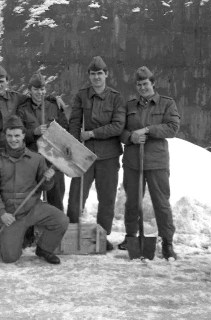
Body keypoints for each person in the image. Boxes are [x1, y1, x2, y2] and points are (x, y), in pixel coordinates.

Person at [0, 63, 66, 249]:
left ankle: (10, 233)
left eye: (2, 81)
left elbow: (36, 96)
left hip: (9, 153)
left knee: (13, 195)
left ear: (7, 81)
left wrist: (55, 98)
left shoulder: (15, 98)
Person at [0, 115, 69, 264]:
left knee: (61, 220)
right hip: (12, 213)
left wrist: (48, 179)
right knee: (9, 258)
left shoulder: (37, 159)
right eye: (9, 136)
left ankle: (44, 249)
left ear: (23, 135)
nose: (13, 139)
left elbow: (44, 186)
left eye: (17, 135)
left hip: (33, 207)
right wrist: (2, 213)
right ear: (5, 136)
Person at [118, 66, 180, 260]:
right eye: (139, 84)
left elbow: (172, 128)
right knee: (132, 202)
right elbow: (120, 130)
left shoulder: (166, 104)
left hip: (156, 162)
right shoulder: (129, 106)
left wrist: (147, 130)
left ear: (153, 83)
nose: (142, 88)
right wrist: (131, 138)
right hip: (133, 162)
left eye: (145, 84)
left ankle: (167, 243)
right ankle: (130, 237)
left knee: (161, 203)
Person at [66, 56, 125, 251]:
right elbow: (74, 122)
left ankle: (102, 236)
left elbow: (118, 126)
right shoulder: (82, 96)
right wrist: (76, 145)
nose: (96, 77)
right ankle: (72, 232)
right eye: (93, 74)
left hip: (108, 156)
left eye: (100, 73)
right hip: (84, 154)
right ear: (89, 76)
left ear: (106, 74)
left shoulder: (116, 98)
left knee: (106, 198)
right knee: (76, 195)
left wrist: (92, 133)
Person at [18, 73, 69, 210]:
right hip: (32, 160)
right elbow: (18, 135)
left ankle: (56, 228)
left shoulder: (54, 107)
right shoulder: (23, 110)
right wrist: (33, 132)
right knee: (31, 200)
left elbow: (66, 129)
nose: (39, 92)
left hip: (53, 161)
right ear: (30, 90)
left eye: (42, 89)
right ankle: (31, 230)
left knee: (56, 200)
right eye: (36, 89)